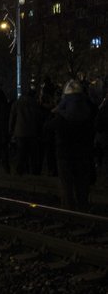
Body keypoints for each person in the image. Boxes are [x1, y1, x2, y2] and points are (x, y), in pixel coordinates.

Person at [51, 80, 96, 210]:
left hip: (64, 153)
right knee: (82, 185)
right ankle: (83, 209)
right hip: (84, 152)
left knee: (67, 186)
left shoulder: (61, 114)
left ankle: (69, 211)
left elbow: (47, 127)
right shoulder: (89, 109)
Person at [9, 86, 43, 176]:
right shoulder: (35, 104)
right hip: (32, 132)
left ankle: (19, 171)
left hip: (20, 132)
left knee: (21, 154)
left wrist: (11, 131)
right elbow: (39, 119)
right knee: (33, 155)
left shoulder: (17, 103)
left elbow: (12, 118)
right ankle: (34, 172)